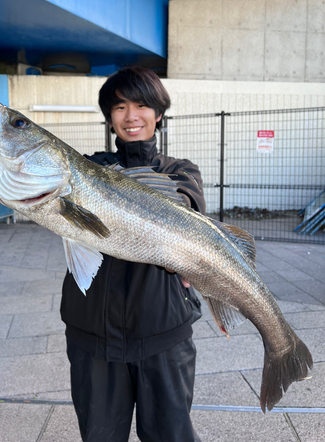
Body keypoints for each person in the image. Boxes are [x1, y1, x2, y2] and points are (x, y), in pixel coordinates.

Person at [61, 66, 206, 442]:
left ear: (158, 113)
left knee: (171, 436)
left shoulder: (181, 172)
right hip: (91, 337)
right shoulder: (89, 169)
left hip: (164, 335)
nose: (131, 116)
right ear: (110, 117)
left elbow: (185, 208)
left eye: (142, 105)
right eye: (120, 106)